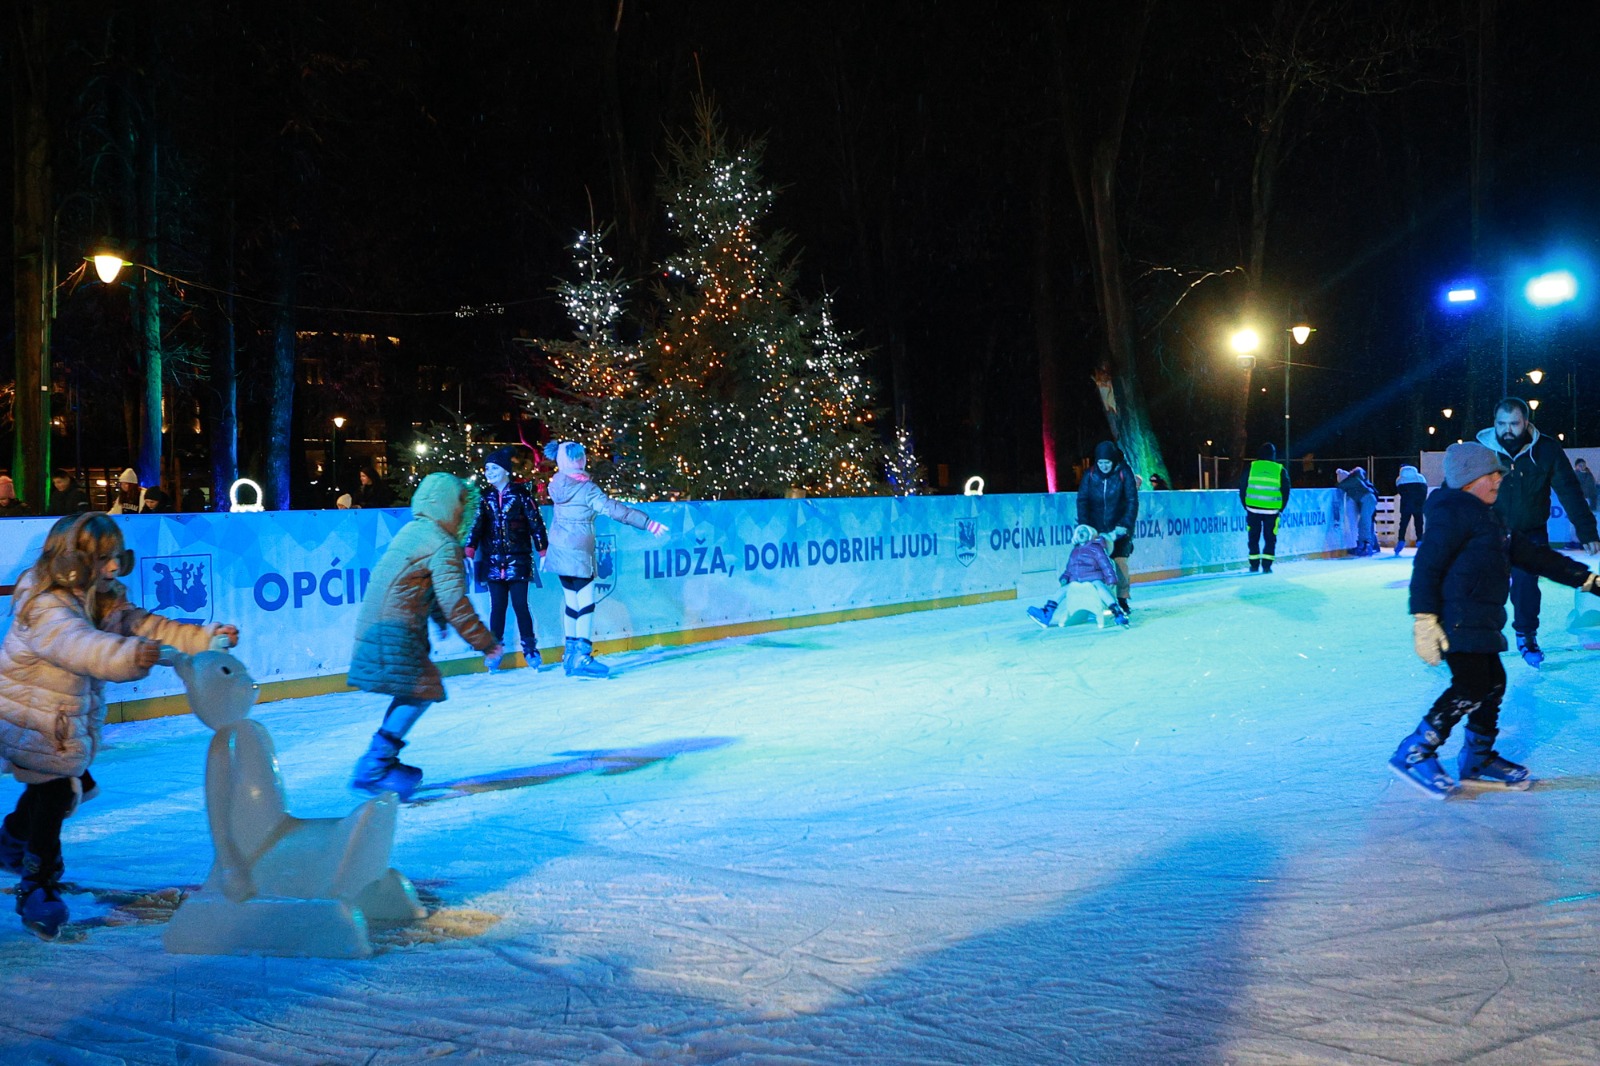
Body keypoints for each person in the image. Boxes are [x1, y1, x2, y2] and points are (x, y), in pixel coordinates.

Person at [0, 512, 240, 938]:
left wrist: (204, 638)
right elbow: (79, 645)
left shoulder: (102, 599)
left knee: (49, 789)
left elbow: (148, 626)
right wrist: (130, 654)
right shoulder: (45, 606)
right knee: (55, 793)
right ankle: (38, 885)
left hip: (59, 721)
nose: (113, 566)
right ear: (72, 562)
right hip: (31, 718)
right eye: (103, 559)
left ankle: (11, 841)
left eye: (116, 557)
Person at [1389, 442, 1600, 799]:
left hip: (1482, 621)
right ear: (1470, 479)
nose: (1500, 479)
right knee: (1471, 686)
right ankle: (1415, 751)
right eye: (1492, 474)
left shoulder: (1491, 519)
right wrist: (1423, 618)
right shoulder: (1451, 513)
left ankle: (1477, 757)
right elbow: (1426, 565)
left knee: (1493, 683)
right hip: (1456, 621)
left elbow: (1536, 557)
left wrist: (1587, 579)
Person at [346, 473, 500, 800]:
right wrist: (485, 642)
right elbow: (454, 601)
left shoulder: (414, 531)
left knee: (416, 688)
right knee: (421, 689)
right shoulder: (443, 544)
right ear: (454, 508)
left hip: (378, 626)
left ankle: (380, 763)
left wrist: (439, 619)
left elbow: (424, 585)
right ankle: (374, 769)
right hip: (394, 630)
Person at [1475, 397, 1600, 667]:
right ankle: (1473, 637)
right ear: (1494, 422)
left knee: (1526, 585)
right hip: (1489, 531)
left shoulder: (1546, 449)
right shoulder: (1481, 451)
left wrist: (1587, 530)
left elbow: (1569, 490)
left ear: (1526, 422)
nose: (1507, 430)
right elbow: (1459, 488)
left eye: (1514, 424)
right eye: (1501, 424)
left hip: (1530, 531)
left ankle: (1526, 635)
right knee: (1479, 583)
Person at [544, 440, 667, 678]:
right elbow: (614, 509)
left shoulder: (557, 483)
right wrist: (646, 522)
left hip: (559, 550)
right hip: (578, 552)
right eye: (579, 456)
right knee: (586, 602)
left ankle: (570, 655)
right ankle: (582, 656)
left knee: (572, 602)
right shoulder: (586, 489)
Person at [467, 446, 549, 673]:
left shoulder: (521, 495)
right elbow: (476, 526)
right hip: (493, 562)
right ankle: (495, 650)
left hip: (518, 560)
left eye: (494, 468)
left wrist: (543, 550)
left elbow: (535, 523)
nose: (489, 473)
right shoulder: (485, 498)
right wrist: (470, 549)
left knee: (521, 605)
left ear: (505, 470)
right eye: (487, 469)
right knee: (497, 607)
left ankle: (530, 649)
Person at [1077, 441, 1139, 615]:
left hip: (1120, 527)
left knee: (1120, 562)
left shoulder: (1124, 472)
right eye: (1100, 462)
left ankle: (1122, 599)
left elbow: (1132, 501)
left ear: (1113, 461)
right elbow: (1082, 500)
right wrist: (1085, 525)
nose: (1104, 466)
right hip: (1095, 527)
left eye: (1107, 463)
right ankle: (1096, 601)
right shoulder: (1090, 475)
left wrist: (1124, 525)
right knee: (1094, 564)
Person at [1026, 525, 1130, 628]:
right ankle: (1047, 614)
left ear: (1090, 534)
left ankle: (1118, 613)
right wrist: (1065, 577)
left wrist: (1111, 578)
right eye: (1079, 531)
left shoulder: (1096, 548)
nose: (1081, 533)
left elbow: (1105, 564)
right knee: (1061, 591)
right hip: (1076, 580)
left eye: (1084, 531)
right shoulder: (1075, 551)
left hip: (1093, 578)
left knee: (1101, 589)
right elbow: (1069, 568)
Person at [1238, 443, 1290, 573]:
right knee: (1270, 538)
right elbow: (1286, 490)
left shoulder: (1252, 467)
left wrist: (1246, 505)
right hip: (1272, 510)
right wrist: (1281, 508)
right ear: (1273, 454)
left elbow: (1242, 486)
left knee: (1253, 537)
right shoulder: (1279, 469)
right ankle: (1267, 566)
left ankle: (1254, 565)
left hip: (1253, 509)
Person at [1336, 466, 1378, 556]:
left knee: (1364, 522)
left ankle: (1366, 546)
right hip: (1369, 499)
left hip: (1368, 500)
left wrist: (1338, 484)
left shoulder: (1350, 482)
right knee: (1366, 522)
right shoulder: (1356, 479)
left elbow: (1340, 486)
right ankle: (1370, 545)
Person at [1394, 464, 1429, 556]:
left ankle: (1401, 540)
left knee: (1403, 523)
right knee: (1419, 522)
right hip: (1418, 504)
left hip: (1406, 505)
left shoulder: (1400, 479)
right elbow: (1424, 490)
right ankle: (1420, 540)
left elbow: (1400, 491)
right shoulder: (1420, 478)